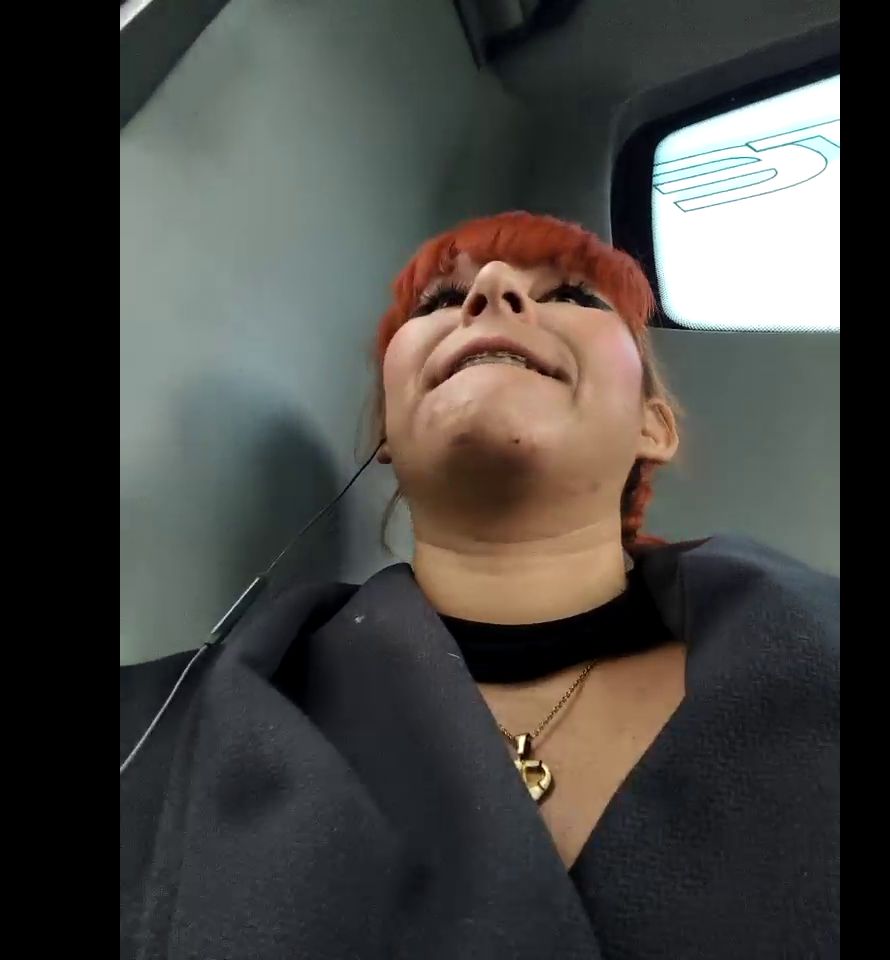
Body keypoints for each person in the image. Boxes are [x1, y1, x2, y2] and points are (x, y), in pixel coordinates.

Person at [120, 211, 839, 959]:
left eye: (573, 296)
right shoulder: (153, 733)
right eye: (438, 301)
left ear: (652, 426)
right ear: (387, 435)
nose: (492, 288)